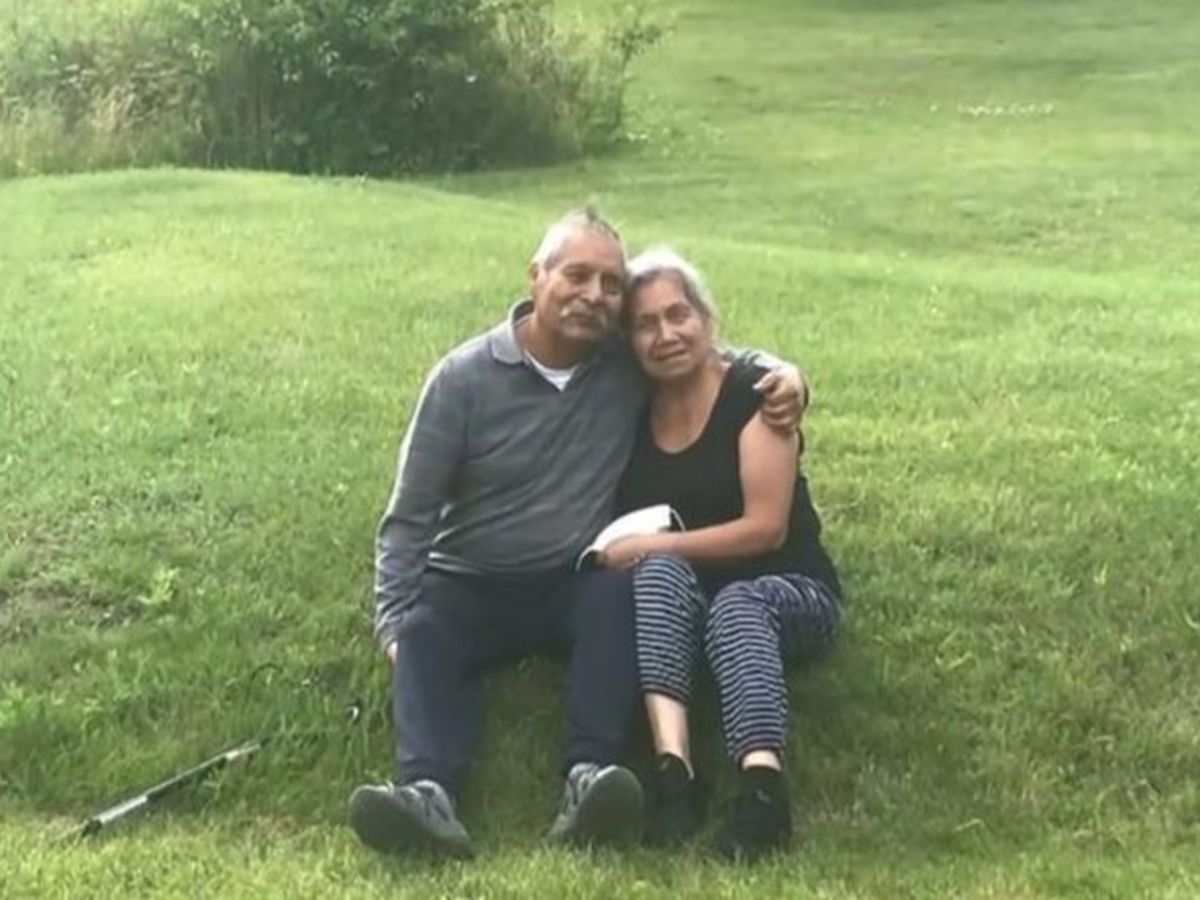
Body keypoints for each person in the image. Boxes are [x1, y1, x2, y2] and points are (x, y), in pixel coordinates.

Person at [347, 210, 808, 859]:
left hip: (569, 580)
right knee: (422, 627)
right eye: (577, 275)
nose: (594, 295)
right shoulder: (462, 380)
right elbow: (410, 517)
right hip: (468, 580)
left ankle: (590, 777)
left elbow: (705, 355)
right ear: (536, 276)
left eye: (611, 284)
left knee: (619, 591)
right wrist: (392, 625)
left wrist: (787, 373)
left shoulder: (620, 363)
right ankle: (427, 794)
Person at [602, 248, 841, 861]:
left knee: (735, 603)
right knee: (658, 574)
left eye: (677, 315)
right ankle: (673, 772)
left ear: (706, 319)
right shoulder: (630, 409)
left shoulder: (758, 396)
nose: (665, 335)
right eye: (645, 324)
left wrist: (650, 544)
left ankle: (762, 793)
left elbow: (766, 530)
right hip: (690, 596)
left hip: (788, 589)